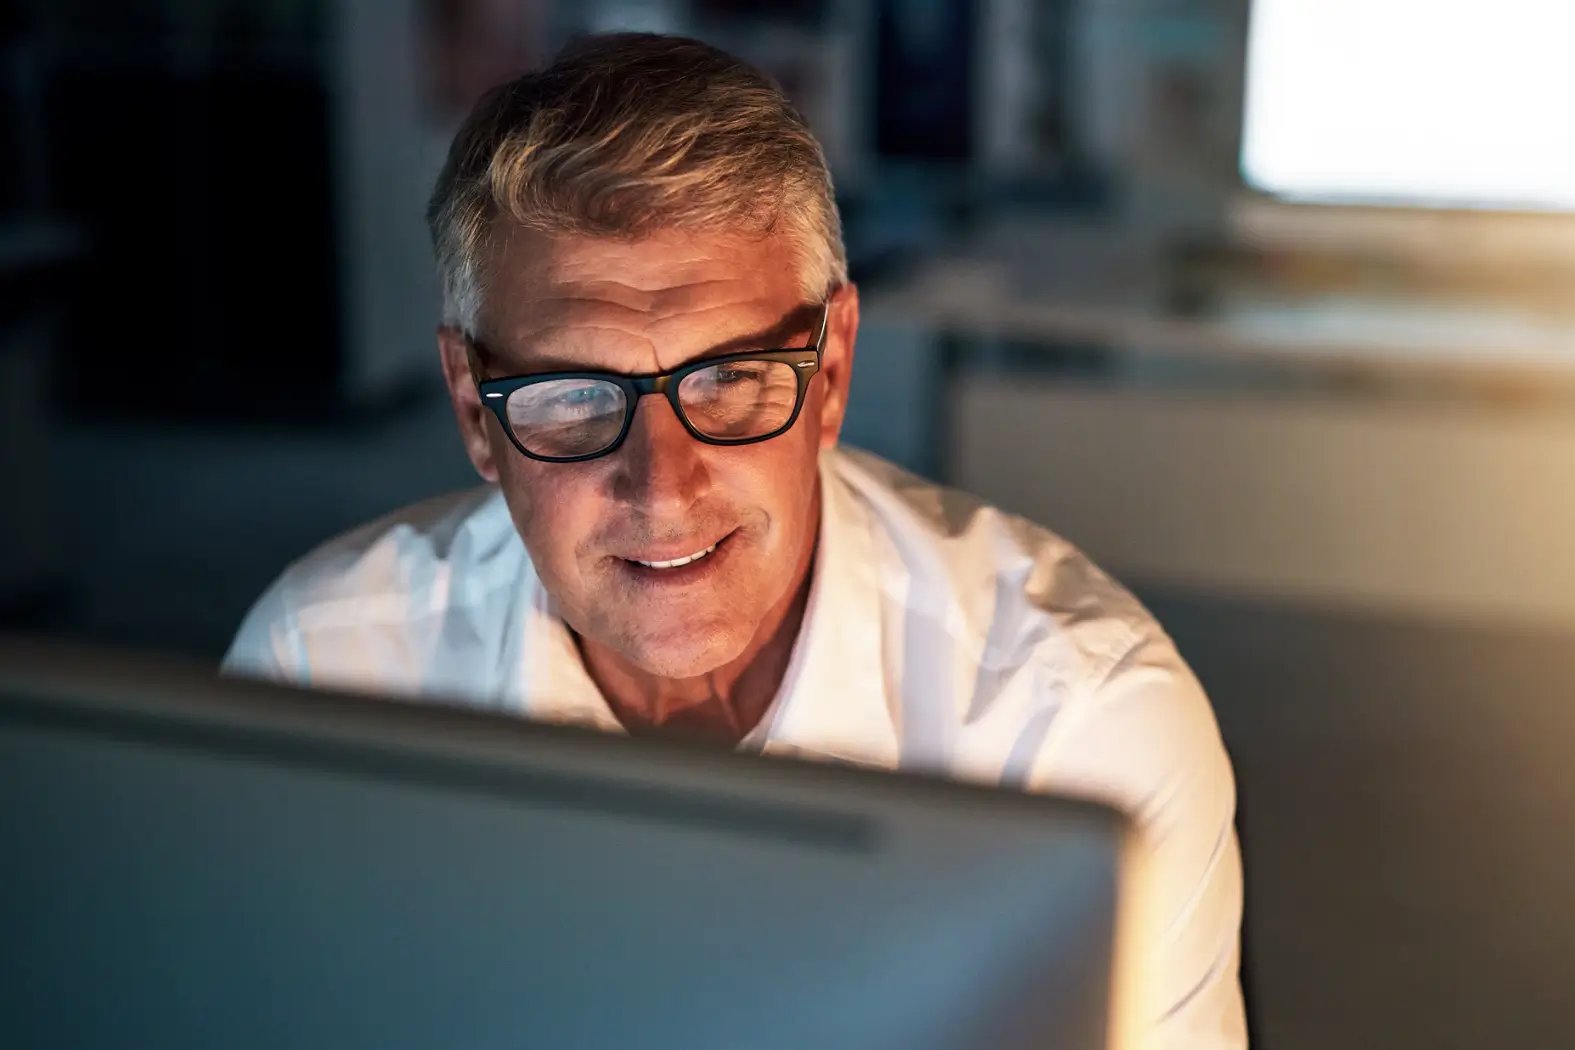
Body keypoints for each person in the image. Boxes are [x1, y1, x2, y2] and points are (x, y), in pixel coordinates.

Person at [225, 32, 1245, 1047]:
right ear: (472, 408)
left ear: (833, 371)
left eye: (728, 379)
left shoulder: (1076, 724)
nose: (662, 488)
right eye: (573, 398)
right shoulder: (326, 673)